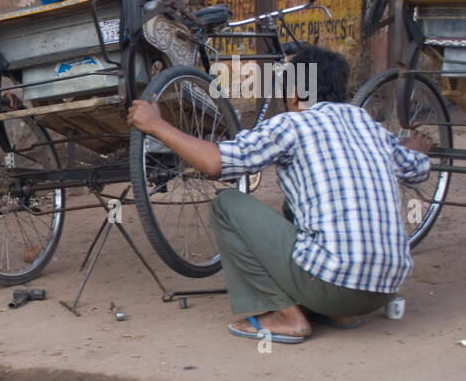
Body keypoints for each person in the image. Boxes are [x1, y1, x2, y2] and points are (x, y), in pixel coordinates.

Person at [126, 45, 434, 343]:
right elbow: (416, 169)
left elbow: (214, 163)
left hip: (333, 287)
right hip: (382, 291)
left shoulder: (292, 124)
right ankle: (334, 313)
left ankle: (288, 317)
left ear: (295, 95)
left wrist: (157, 126)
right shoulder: (367, 124)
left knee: (226, 204)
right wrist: (414, 149)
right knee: (297, 204)